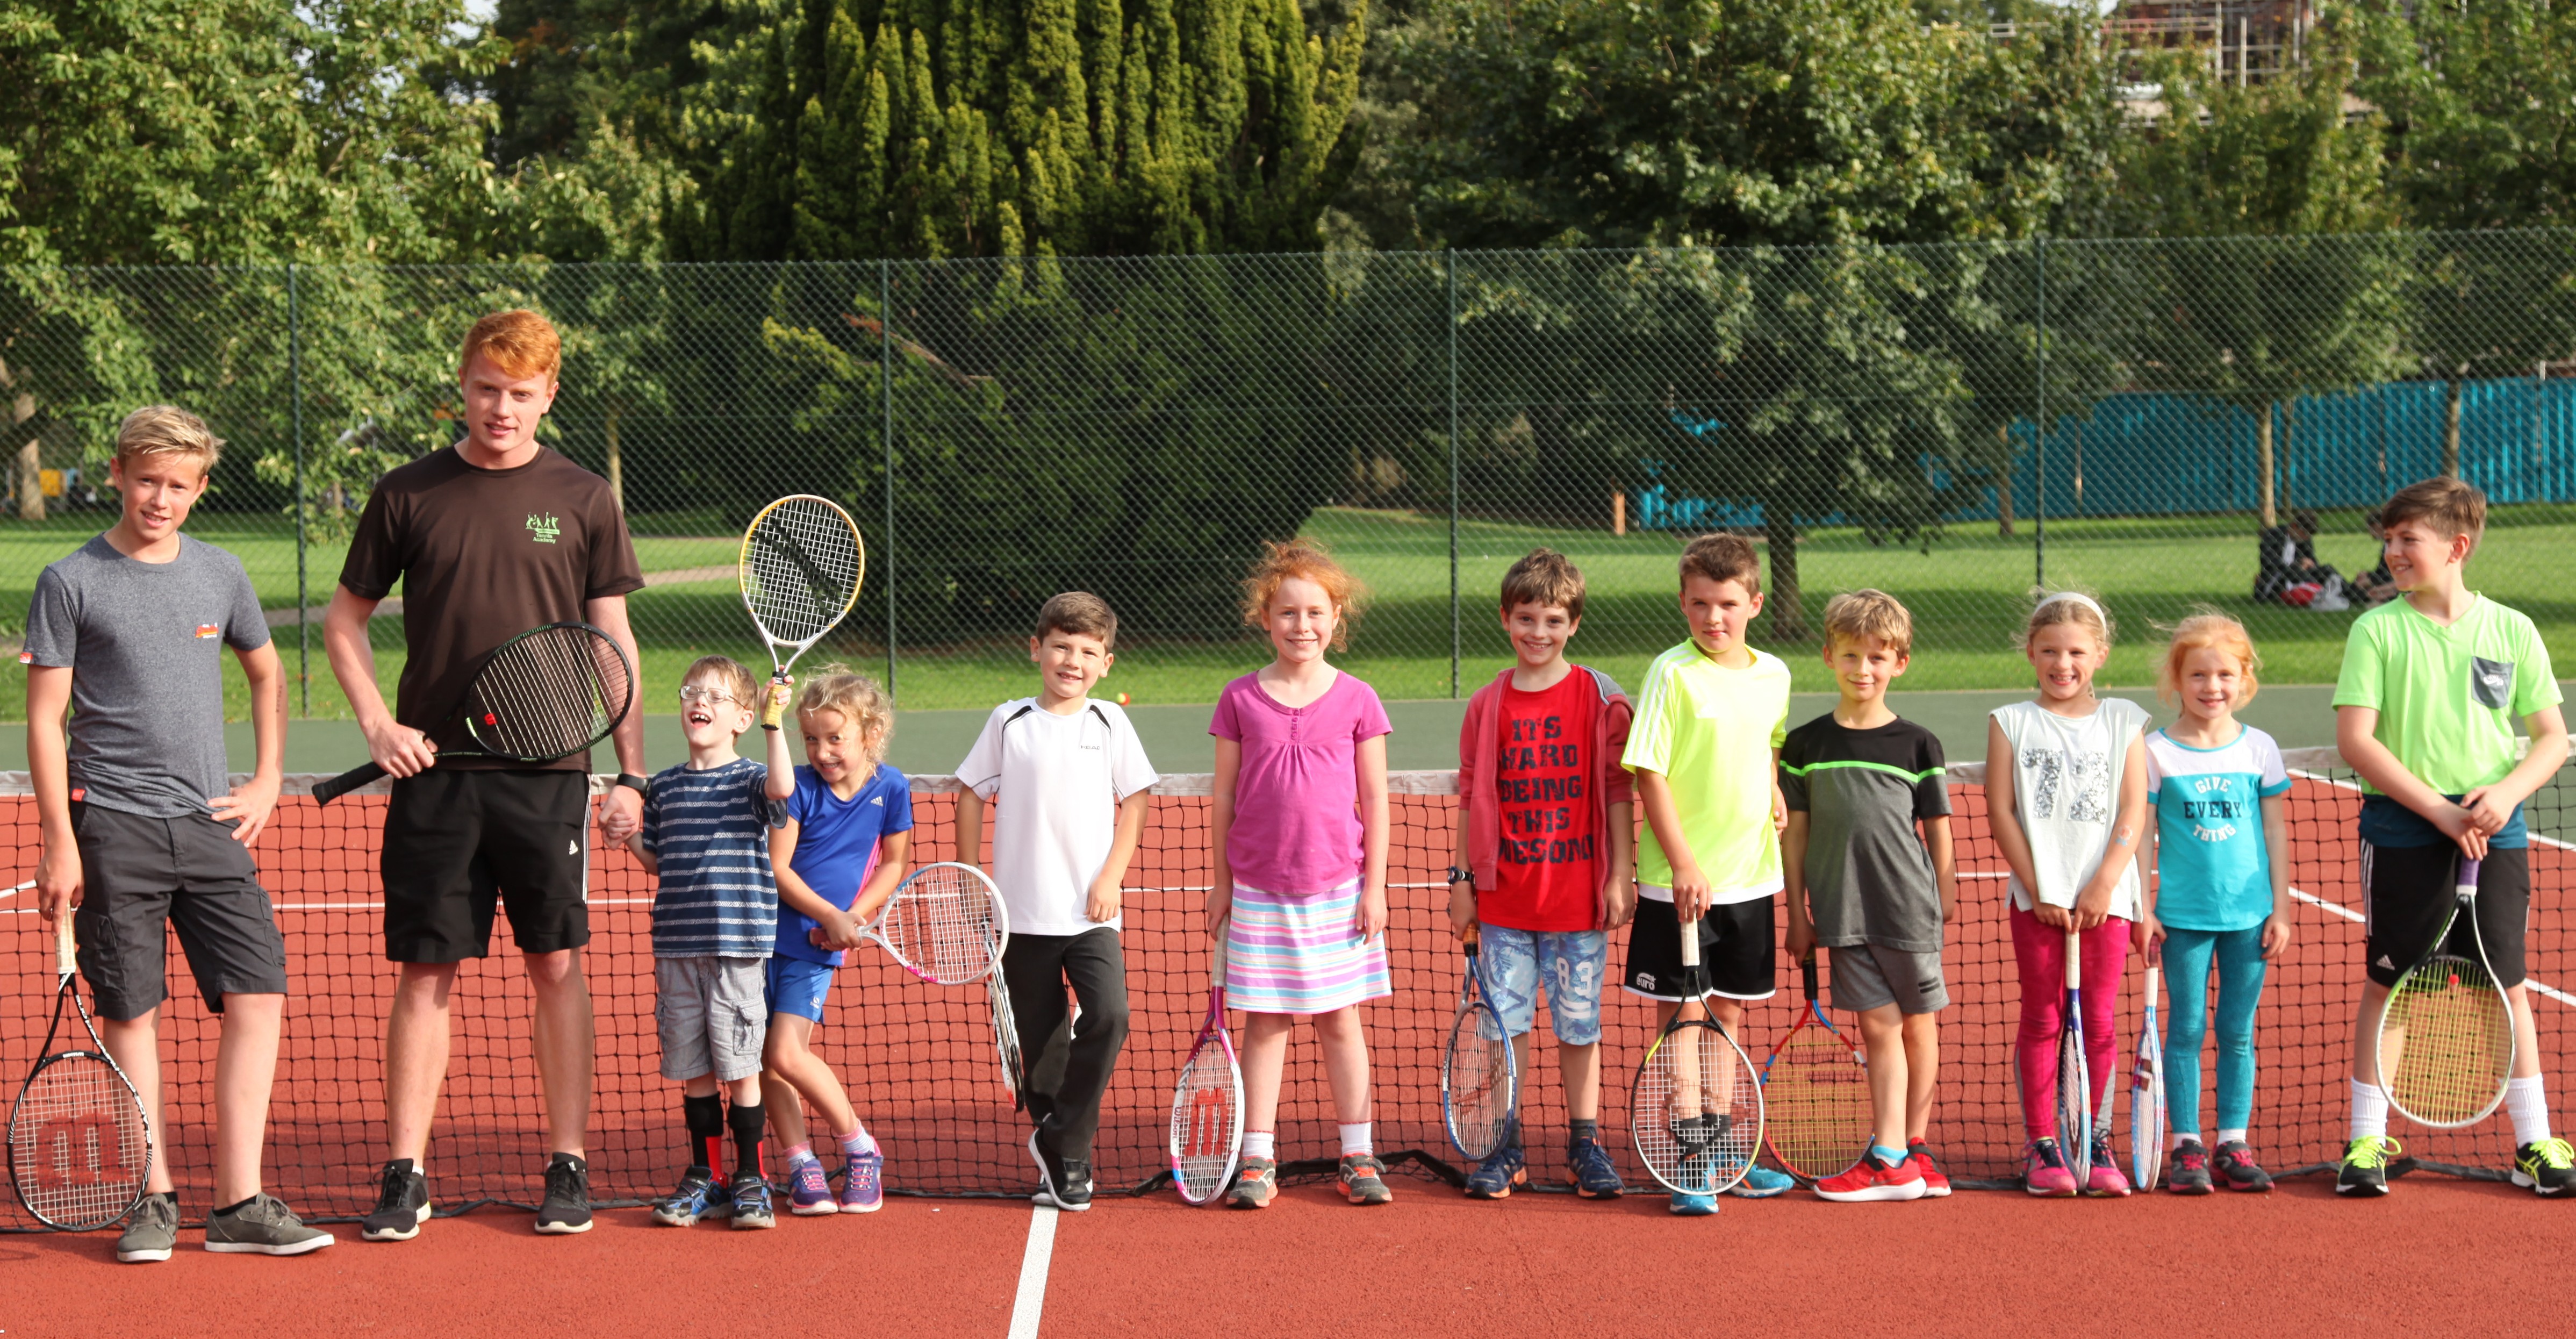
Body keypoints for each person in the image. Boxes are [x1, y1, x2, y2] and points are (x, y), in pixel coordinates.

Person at [326, 309, 649, 1241]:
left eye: (519, 392)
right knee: (427, 971)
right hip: (434, 777)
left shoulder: (585, 498)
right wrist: (378, 724)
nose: (499, 408)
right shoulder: (407, 493)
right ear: (460, 386)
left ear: (549, 394)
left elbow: (611, 642)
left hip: (549, 774)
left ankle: (568, 1163)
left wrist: (630, 774)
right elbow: (344, 624)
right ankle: (404, 1172)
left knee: (556, 963)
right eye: (484, 389)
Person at [24, 406, 331, 1261]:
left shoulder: (222, 572)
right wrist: (60, 839)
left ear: (200, 489)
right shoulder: (69, 578)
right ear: (119, 473)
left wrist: (268, 776)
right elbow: (45, 721)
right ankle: (152, 1196)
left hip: (208, 825)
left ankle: (239, 1202)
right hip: (112, 823)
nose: (160, 498)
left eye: (179, 484)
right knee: (132, 1013)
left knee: (260, 992)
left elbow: (265, 671)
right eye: (147, 479)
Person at [2331, 477, 2573, 1196]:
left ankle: (2535, 1143)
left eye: (2409, 539)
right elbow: (2356, 741)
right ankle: (2366, 1139)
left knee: (2507, 985)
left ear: (2456, 546)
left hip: (2495, 831)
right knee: (2392, 981)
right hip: (2406, 828)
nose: (2393, 550)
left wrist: (2501, 795)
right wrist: (2439, 812)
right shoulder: (2376, 629)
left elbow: (2551, 738)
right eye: (2389, 539)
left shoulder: (2511, 629)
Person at [1446, 548, 1637, 1201]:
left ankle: (1583, 1145)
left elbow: (1617, 790)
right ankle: (1506, 1146)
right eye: (1526, 617)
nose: (1538, 632)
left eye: (1552, 619)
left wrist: (1620, 874)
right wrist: (1461, 881)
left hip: (1578, 896)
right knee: (1508, 1025)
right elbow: (1471, 796)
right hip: (1503, 901)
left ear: (1573, 623)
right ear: (1505, 618)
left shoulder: (1599, 697)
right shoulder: (1486, 703)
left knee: (1579, 1025)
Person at [956, 593, 1157, 1212]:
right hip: (1019, 915)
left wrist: (1111, 876)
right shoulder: (1008, 721)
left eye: (1087, 652)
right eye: (1061, 647)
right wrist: (971, 880)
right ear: (1036, 648)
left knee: (1110, 1016)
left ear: (1106, 664)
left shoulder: (1109, 723)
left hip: (1090, 915)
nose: (1072, 660)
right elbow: (968, 793)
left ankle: (1060, 1136)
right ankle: (1065, 1162)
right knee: (1040, 1048)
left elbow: (1138, 800)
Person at [1209, 542, 1395, 1209]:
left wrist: (1373, 887)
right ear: (1266, 618)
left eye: (1315, 611)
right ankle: (1257, 1158)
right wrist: (1222, 882)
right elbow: (1225, 798)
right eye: (1286, 612)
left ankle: (1357, 1153)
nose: (1301, 625)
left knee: (1340, 1020)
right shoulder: (1239, 698)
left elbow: (1374, 800)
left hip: (1339, 891)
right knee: (1265, 1022)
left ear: (1335, 616)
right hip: (1259, 889)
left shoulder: (1358, 699)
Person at [1621, 532, 1798, 1215]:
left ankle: (1725, 1151)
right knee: (1685, 1017)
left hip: (1750, 877)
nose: (1712, 618)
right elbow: (1650, 773)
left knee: (1727, 1011)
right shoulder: (1671, 673)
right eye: (1699, 604)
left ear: (1753, 601)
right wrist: (1686, 862)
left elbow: (1766, 746)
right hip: (1680, 882)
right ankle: (1688, 1154)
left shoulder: (1773, 674)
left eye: (1726, 603)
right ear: (1683, 603)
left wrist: (1774, 793)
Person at [1781, 590, 1958, 1203]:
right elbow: (1795, 834)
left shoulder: (1917, 744)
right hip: (1839, 912)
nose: (1863, 669)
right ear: (1829, 656)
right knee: (1878, 1029)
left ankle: (1911, 1147)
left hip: (1907, 907)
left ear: (1899, 662)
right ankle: (1889, 1156)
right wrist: (1797, 914)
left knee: (1918, 1026)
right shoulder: (1804, 746)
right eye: (1851, 655)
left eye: (1877, 657)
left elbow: (1937, 829)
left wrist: (1944, 894)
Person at [1985, 590, 2149, 1199]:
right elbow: (1999, 810)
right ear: (2030, 652)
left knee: (2099, 1020)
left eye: (2076, 651)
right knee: (2042, 1016)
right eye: (2049, 651)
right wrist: (2038, 887)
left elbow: (2134, 807)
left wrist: (2105, 881)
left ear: (2100, 654)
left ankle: (2094, 1135)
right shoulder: (2010, 722)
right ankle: (2041, 1142)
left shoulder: (2123, 720)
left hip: (2107, 899)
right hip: (2038, 902)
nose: (2063, 664)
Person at [630, 655, 796, 1228]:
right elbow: (657, 860)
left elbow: (783, 789)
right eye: (689, 691)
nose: (697, 701)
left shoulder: (750, 778)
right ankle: (707, 1176)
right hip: (676, 947)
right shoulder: (665, 787)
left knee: (740, 1065)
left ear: (742, 717)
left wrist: (777, 727)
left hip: (735, 946)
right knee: (695, 1068)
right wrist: (627, 833)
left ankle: (751, 1176)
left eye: (715, 696)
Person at [2141, 612, 2292, 1195]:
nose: (2212, 687)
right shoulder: (2155, 752)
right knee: (2185, 1027)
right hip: (2181, 917)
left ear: (2244, 679)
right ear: (2176, 681)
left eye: (2224, 674)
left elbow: (2276, 832)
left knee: (2235, 1028)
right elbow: (2142, 834)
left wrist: (2279, 908)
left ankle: (2232, 1141)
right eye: (2198, 674)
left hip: (2248, 917)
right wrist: (2141, 906)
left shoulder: (2258, 749)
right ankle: (2186, 1147)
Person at [762, 668, 911, 1216]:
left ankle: (858, 1146)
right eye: (811, 739)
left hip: (813, 945)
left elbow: (894, 862)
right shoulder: (798, 786)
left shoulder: (891, 787)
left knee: (784, 1050)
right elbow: (780, 868)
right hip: (759, 934)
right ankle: (801, 1163)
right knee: (765, 1061)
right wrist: (832, 911)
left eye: (834, 738)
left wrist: (852, 916)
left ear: (869, 733)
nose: (821, 752)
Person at [2348, 508, 2399, 607]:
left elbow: (2389, 573)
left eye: (2370, 529)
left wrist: (2371, 580)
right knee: (2355, 587)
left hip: (2393, 582)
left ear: (2377, 526)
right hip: (2387, 580)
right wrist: (2368, 575)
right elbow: (2383, 569)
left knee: (2357, 592)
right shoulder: (2387, 544)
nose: (2370, 533)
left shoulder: (2393, 545)